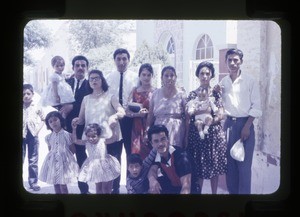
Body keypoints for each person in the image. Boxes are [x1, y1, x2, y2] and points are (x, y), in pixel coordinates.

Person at [72, 69, 126, 193]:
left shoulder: (110, 95)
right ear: (89, 82)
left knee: (110, 176)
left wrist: (115, 116)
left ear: (102, 80)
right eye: (91, 78)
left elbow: (121, 111)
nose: (94, 80)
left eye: (97, 78)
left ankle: (113, 194)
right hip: (94, 140)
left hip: (110, 138)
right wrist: (76, 121)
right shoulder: (86, 99)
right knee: (98, 176)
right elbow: (81, 119)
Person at [217, 48, 262, 194]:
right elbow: (219, 105)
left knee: (244, 168)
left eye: (236, 60)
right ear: (226, 62)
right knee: (230, 168)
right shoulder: (223, 82)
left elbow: (256, 106)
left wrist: (247, 126)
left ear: (241, 61)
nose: (232, 63)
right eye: (229, 60)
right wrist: (215, 92)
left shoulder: (250, 81)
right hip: (229, 126)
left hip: (245, 125)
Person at [186, 61, 227, 194]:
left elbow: (221, 114)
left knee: (214, 166)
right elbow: (189, 114)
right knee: (199, 167)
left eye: (207, 73)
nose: (204, 76)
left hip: (214, 134)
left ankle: (213, 195)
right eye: (202, 73)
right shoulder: (192, 94)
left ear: (211, 75)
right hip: (197, 135)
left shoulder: (216, 94)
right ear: (198, 75)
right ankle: (199, 195)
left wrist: (210, 122)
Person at [106, 48, 139, 193]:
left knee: (131, 153)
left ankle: (131, 185)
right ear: (114, 60)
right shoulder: (108, 78)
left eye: (124, 58)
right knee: (115, 154)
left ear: (128, 60)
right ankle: (115, 187)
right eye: (118, 59)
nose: (121, 62)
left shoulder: (135, 77)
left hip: (131, 120)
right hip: (115, 120)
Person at [63, 55, 92, 194]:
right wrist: (63, 109)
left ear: (87, 68)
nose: (80, 68)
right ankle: (63, 190)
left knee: (81, 156)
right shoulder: (64, 82)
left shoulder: (90, 85)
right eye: (77, 65)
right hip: (64, 125)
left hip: (81, 127)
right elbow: (54, 101)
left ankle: (84, 189)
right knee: (62, 156)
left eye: (83, 65)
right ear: (73, 67)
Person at [72, 122, 121, 194]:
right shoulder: (86, 142)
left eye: (94, 136)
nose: (91, 139)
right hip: (95, 168)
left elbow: (114, 138)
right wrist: (74, 129)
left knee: (105, 188)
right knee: (98, 188)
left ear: (99, 135)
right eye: (88, 136)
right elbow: (75, 140)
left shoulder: (103, 141)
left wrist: (113, 128)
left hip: (105, 166)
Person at [146, 66, 187, 148]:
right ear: (161, 78)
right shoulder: (155, 94)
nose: (169, 78)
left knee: (175, 156)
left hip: (176, 132)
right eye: (166, 75)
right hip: (158, 132)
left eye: (172, 75)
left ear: (176, 78)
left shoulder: (182, 94)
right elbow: (150, 115)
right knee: (160, 157)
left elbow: (187, 118)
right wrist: (147, 131)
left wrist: (186, 136)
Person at [39, 111, 79, 194]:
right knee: (55, 183)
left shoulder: (67, 135)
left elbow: (73, 150)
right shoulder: (48, 137)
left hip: (64, 163)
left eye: (55, 120)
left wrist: (66, 159)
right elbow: (50, 150)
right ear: (48, 125)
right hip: (53, 163)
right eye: (50, 121)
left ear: (60, 120)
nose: (53, 123)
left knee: (63, 185)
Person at [147, 124, 192, 194]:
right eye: (156, 141)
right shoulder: (157, 154)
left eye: (163, 139)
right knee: (152, 188)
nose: (160, 144)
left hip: (190, 190)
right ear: (151, 144)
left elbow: (186, 187)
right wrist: (152, 180)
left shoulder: (181, 156)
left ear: (168, 139)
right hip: (173, 188)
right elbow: (152, 169)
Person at [126, 63, 156, 160]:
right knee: (136, 155)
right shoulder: (134, 91)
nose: (146, 77)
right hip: (137, 128)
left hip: (152, 126)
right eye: (143, 74)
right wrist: (137, 114)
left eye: (148, 75)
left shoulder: (156, 91)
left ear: (152, 76)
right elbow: (127, 111)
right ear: (139, 76)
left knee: (152, 156)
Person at [22, 83, 45, 191]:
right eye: (23, 94)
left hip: (33, 136)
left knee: (33, 160)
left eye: (28, 94)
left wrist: (37, 131)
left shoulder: (37, 106)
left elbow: (43, 119)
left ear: (32, 94)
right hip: (21, 135)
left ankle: (33, 182)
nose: (26, 96)